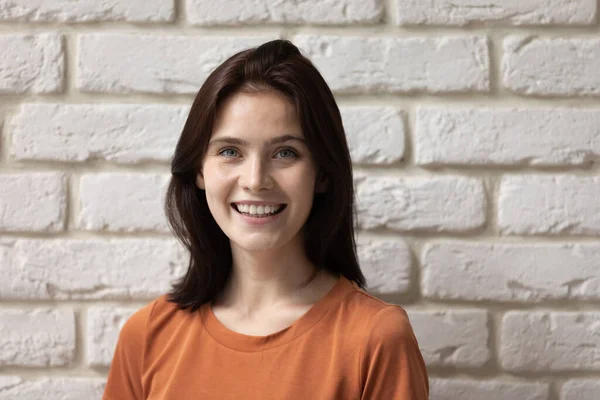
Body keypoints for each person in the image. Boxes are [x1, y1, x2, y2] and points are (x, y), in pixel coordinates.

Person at [102, 39, 429, 400]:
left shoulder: (376, 339)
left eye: (285, 153)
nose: (256, 179)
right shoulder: (146, 336)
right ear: (199, 170)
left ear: (322, 174)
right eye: (230, 151)